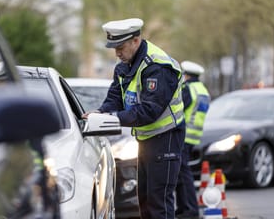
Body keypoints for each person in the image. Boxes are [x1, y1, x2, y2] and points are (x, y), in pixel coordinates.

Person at [82, 18, 185, 219]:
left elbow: (149, 111)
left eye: (120, 47)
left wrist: (112, 118)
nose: (117, 53)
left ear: (136, 41)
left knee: (159, 204)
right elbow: (115, 98)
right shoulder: (124, 65)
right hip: (146, 140)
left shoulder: (157, 66)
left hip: (166, 139)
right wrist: (100, 113)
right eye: (114, 48)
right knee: (145, 203)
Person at [175, 61, 210, 219]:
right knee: (181, 173)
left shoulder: (188, 89)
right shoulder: (203, 90)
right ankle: (184, 208)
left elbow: (177, 109)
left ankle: (190, 209)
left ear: (186, 74)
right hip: (194, 136)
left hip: (183, 135)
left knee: (184, 173)